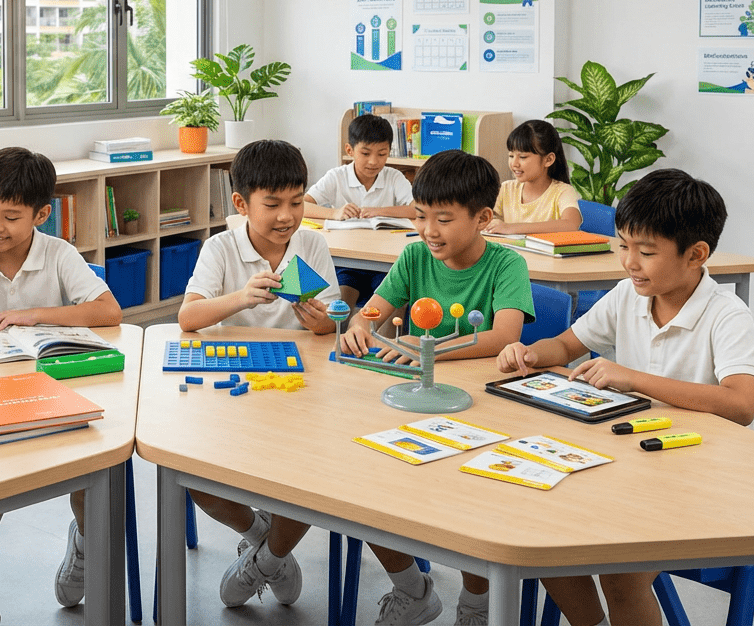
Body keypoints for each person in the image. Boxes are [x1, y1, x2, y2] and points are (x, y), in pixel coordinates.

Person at [497, 168, 754, 626]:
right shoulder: (628, 295)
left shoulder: (726, 314)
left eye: (647, 251)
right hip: (631, 461)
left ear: (696, 254)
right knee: (537, 534)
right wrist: (530, 352)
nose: (629, 261)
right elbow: (566, 345)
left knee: (621, 575)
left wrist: (633, 378)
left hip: (703, 479)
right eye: (623, 245)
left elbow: (741, 405)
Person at [339, 149, 534, 626]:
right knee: (363, 481)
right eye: (422, 216)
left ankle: (476, 602)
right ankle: (411, 588)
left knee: (476, 505)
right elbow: (375, 310)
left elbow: (506, 335)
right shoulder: (413, 255)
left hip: (481, 414)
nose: (429, 230)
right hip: (410, 406)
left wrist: (427, 349)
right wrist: (361, 326)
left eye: (443, 219)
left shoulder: (505, 266)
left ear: (483, 218)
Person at [0, 146, 122, 626]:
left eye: (11, 216)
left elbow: (107, 312)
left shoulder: (58, 254)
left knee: (94, 469)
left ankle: (85, 548)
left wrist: (30, 315)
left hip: (59, 393)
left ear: (42, 215)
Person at [177, 139, 340, 610]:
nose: (287, 216)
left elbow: (332, 321)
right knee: (194, 478)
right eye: (272, 204)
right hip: (231, 387)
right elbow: (189, 318)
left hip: (299, 390)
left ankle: (264, 561)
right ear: (241, 204)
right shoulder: (220, 247)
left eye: (296, 202)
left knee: (308, 483)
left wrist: (321, 321)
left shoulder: (311, 244)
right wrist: (242, 297)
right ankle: (265, 540)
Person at [304, 114, 415, 306]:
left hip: (385, 262)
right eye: (365, 153)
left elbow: (418, 209)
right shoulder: (337, 176)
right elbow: (301, 205)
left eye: (382, 154)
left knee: (390, 300)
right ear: (349, 150)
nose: (373, 161)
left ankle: (383, 336)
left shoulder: (394, 177)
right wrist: (334, 213)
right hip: (348, 261)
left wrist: (379, 211)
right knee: (341, 302)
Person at [483, 119, 583, 236]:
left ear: (548, 159)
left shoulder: (563, 191)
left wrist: (510, 228)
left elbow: (571, 224)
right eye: (511, 155)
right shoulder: (506, 189)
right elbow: (485, 218)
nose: (514, 164)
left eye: (523, 157)